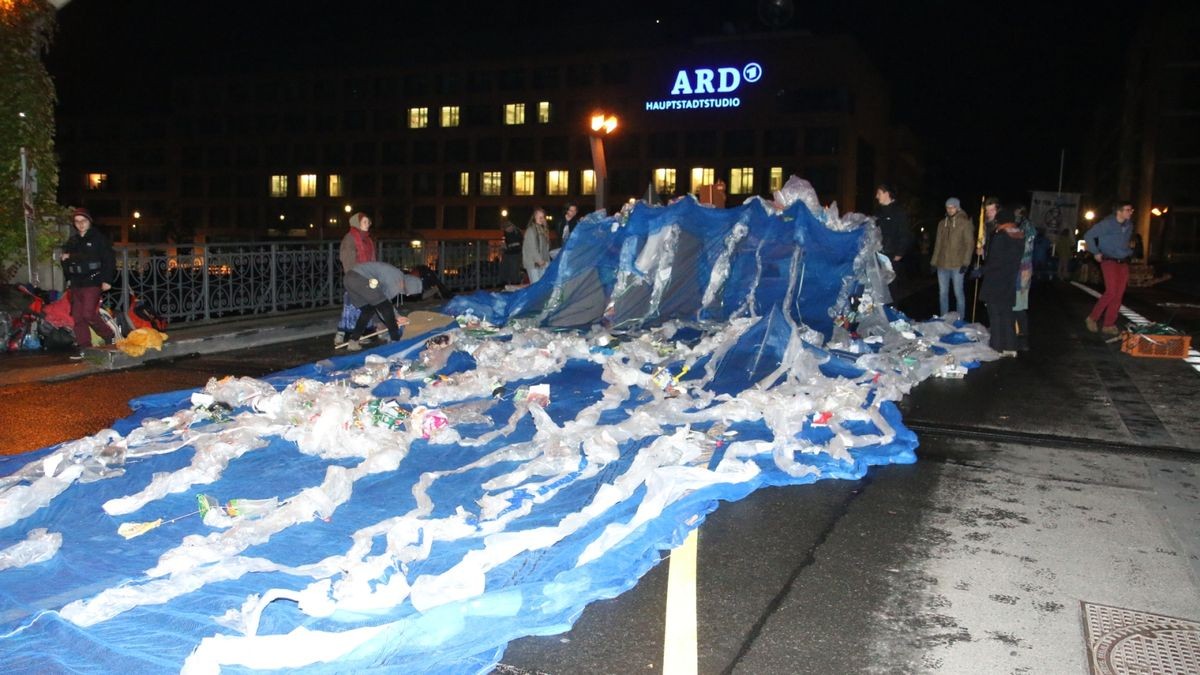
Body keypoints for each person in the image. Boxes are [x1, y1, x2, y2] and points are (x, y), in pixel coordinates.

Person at [60, 207, 116, 351]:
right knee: (78, 317)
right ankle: (85, 347)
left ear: (89, 221)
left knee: (88, 314)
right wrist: (68, 274)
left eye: (83, 221)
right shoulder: (73, 240)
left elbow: (108, 259)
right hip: (76, 283)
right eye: (77, 221)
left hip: (93, 280)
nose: (80, 224)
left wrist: (107, 280)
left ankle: (108, 334)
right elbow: (66, 259)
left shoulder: (98, 238)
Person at [978, 207, 1025, 356]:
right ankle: (1010, 346)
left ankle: (996, 346)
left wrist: (980, 271)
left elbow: (994, 261)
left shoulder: (1000, 236)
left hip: (995, 280)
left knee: (995, 314)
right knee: (1007, 314)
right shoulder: (1019, 235)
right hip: (1010, 279)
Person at [1084, 200, 1135, 335]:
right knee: (1111, 291)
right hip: (1109, 260)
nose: (1131, 212)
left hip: (1123, 261)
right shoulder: (1107, 224)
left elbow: (1123, 242)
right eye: (1128, 210)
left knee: (1119, 294)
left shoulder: (1129, 225)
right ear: (1119, 212)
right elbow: (1088, 236)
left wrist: (1128, 251)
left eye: (1131, 210)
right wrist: (1095, 252)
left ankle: (1108, 324)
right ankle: (1092, 318)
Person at [341, 261, 408, 352]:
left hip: (348, 279)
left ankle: (353, 342)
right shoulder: (392, 275)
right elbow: (384, 302)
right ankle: (395, 340)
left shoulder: (385, 276)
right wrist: (397, 317)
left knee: (368, 310)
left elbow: (378, 299)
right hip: (359, 278)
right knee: (386, 307)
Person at [336, 211, 376, 346]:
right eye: (364, 222)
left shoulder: (368, 240)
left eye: (368, 222)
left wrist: (373, 274)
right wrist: (355, 276)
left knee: (364, 307)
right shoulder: (350, 238)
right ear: (357, 223)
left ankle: (359, 333)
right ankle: (344, 334)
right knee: (352, 307)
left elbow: (372, 259)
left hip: (367, 277)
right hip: (355, 277)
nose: (368, 224)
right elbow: (347, 259)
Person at [930, 197, 975, 317]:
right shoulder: (942, 223)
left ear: (957, 207)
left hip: (957, 265)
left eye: (952, 207)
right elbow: (938, 244)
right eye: (948, 207)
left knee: (958, 293)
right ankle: (944, 318)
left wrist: (966, 263)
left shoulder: (965, 223)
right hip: (942, 264)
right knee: (943, 293)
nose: (950, 209)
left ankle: (960, 318)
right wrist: (934, 262)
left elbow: (969, 244)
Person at [874, 184, 912, 282]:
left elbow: (905, 234)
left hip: (892, 255)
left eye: (879, 193)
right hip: (878, 254)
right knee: (878, 286)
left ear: (887, 193)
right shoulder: (878, 212)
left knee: (890, 287)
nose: (876, 196)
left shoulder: (899, 212)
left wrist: (899, 253)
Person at [1013, 206, 1036, 351]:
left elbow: (1024, 248)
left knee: (1018, 305)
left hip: (1022, 270)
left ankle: (1022, 337)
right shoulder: (1020, 226)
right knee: (1015, 305)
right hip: (1020, 269)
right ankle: (1017, 335)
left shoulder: (1025, 227)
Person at [523, 207, 551, 284]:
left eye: (543, 217)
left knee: (541, 287)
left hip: (543, 263)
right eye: (540, 217)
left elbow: (546, 248)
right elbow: (532, 248)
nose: (542, 219)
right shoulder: (531, 230)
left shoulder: (543, 230)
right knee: (536, 286)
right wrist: (539, 260)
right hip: (533, 263)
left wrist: (546, 262)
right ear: (535, 217)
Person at [500, 216, 524, 285]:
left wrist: (508, 246)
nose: (507, 230)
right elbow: (508, 243)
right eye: (506, 229)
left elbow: (517, 244)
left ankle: (515, 283)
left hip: (515, 254)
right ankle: (505, 283)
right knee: (505, 269)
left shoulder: (517, 232)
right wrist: (505, 247)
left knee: (514, 270)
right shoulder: (506, 233)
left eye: (507, 228)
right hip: (508, 253)